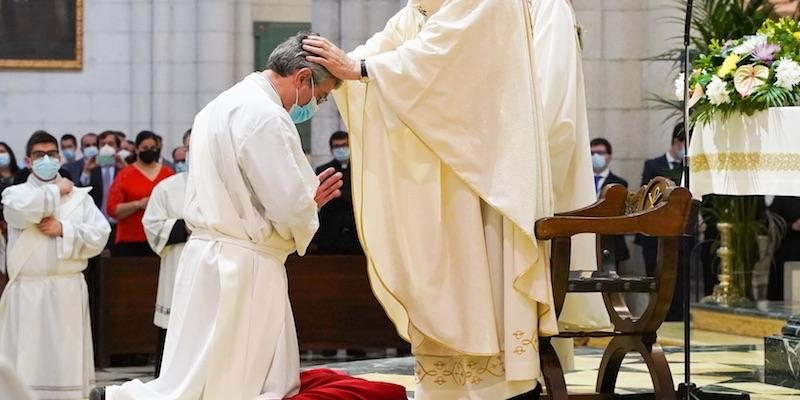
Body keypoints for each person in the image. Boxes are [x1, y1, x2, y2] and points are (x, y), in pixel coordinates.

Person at [302, 0, 608, 397]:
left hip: (486, 180)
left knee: (488, 286)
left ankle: (503, 385)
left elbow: (444, 55)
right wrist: (335, 70)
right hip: (447, 180)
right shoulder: (424, 8)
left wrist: (360, 69)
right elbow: (392, 43)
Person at [98, 33, 401, 400]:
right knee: (244, 379)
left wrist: (300, 204)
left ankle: (119, 397)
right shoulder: (267, 116)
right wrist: (310, 206)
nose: (315, 106)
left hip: (207, 254)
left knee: (198, 369)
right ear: (303, 77)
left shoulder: (217, 107)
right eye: (320, 96)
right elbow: (287, 205)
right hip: (244, 263)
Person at [0, 131, 110, 400]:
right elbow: (20, 214)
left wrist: (64, 229)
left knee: (64, 360)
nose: (46, 160)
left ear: (59, 158)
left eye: (51, 154)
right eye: (39, 155)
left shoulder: (80, 197)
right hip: (27, 292)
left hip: (66, 291)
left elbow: (100, 235)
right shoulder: (15, 194)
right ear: (28, 160)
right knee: (27, 359)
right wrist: (55, 191)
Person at [143, 130, 192, 378]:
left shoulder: (230, 186)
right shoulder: (167, 188)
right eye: (189, 148)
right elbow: (151, 225)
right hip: (178, 269)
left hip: (217, 273)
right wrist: (184, 228)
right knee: (174, 333)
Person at [635, 123, 687, 321]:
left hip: (679, 233)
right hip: (654, 234)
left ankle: (677, 316)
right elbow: (646, 196)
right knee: (655, 277)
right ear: (676, 142)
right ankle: (657, 317)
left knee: (679, 280)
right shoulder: (653, 165)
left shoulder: (688, 168)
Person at [106, 131, 174, 257]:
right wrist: (138, 204)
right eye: (145, 148)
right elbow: (113, 209)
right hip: (130, 240)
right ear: (137, 149)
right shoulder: (125, 174)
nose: (149, 151)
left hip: (161, 238)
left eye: (153, 148)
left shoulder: (168, 173)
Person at [312, 131, 362, 254]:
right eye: (337, 146)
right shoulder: (324, 170)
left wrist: (340, 195)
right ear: (331, 149)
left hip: (356, 230)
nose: (341, 149)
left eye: (344, 145)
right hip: (330, 232)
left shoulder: (360, 169)